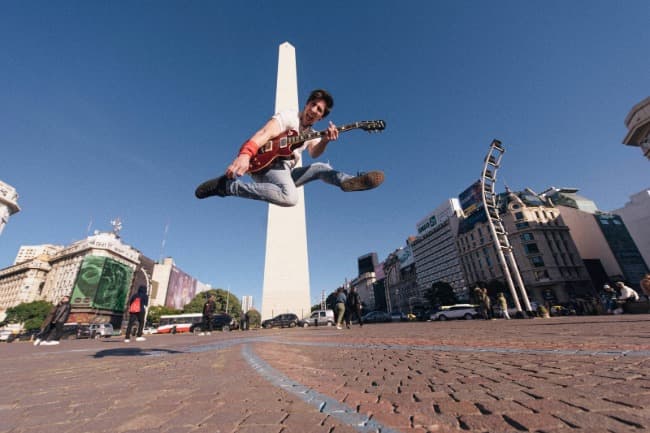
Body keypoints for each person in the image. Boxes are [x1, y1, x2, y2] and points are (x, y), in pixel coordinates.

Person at [195, 89, 384, 206]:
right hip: (266, 165)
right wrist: (244, 155)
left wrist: (325, 140)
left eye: (319, 111)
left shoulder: (311, 133)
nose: (314, 111)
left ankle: (348, 181)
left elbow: (314, 152)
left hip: (284, 171)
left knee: (321, 168)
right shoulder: (289, 117)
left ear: (321, 118)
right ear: (307, 104)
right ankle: (228, 187)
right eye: (313, 105)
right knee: (290, 197)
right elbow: (265, 133)